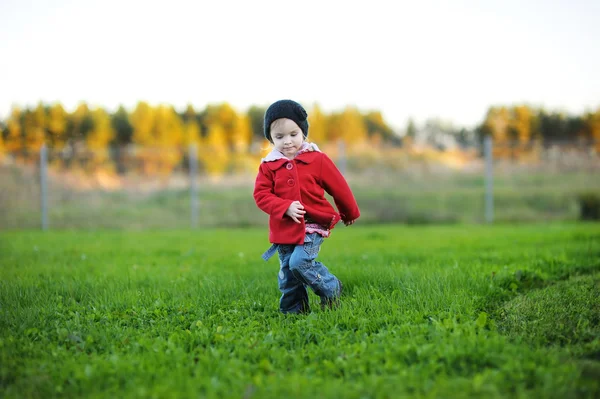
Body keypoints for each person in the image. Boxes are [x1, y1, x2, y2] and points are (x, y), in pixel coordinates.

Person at [253, 99, 360, 314]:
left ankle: (331, 287)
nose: (288, 141)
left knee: (299, 262)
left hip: (313, 224)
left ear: (303, 132)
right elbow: (261, 195)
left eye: (293, 134)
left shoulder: (316, 159)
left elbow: (339, 187)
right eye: (279, 137)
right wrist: (284, 207)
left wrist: (349, 212)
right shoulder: (269, 166)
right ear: (271, 138)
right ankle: (295, 314)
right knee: (288, 275)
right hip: (283, 229)